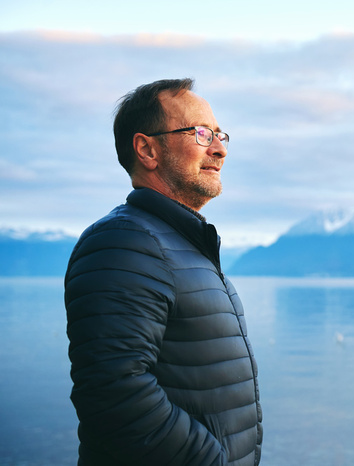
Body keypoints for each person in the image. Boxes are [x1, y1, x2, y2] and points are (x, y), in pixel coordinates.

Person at [65, 78, 262, 465]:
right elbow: (113, 394)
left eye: (220, 134)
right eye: (201, 134)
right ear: (147, 149)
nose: (219, 149)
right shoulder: (124, 242)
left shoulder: (183, 244)